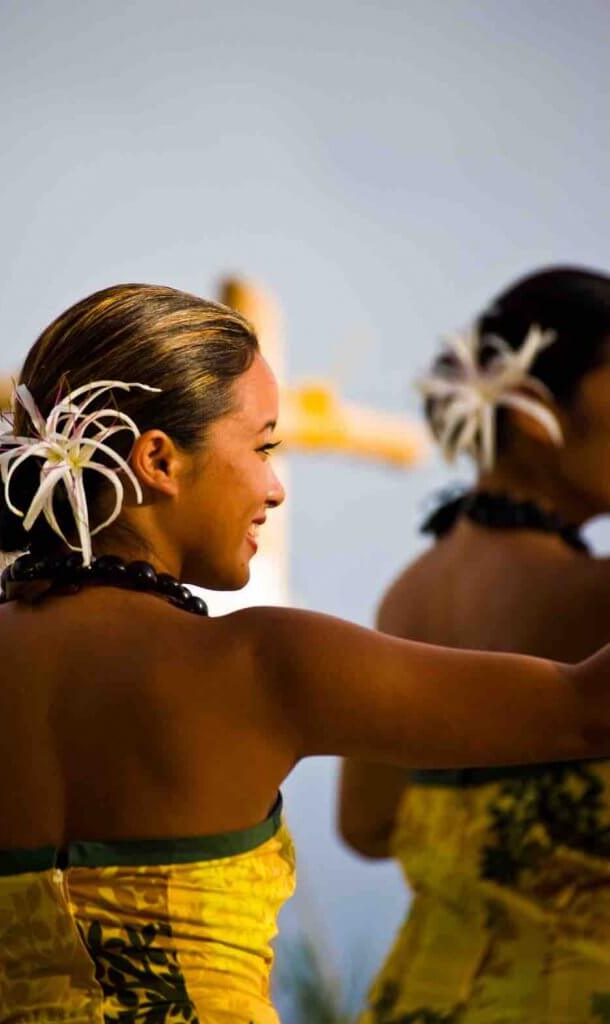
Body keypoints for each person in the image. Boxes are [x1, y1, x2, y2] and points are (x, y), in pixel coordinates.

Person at [0, 282, 610, 1024]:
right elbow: (588, 712)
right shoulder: (261, 663)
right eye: (262, 446)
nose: (275, 487)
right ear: (158, 458)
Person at [339, 266, 610, 1024]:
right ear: (530, 410)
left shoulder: (406, 595)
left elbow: (365, 827)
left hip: (418, 1004)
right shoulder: (598, 599)